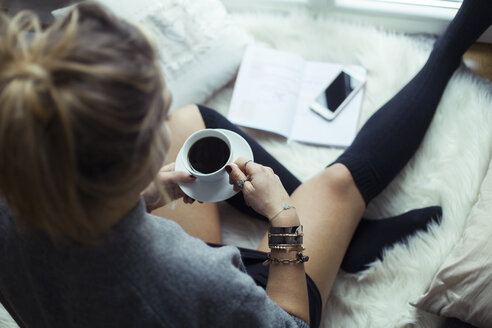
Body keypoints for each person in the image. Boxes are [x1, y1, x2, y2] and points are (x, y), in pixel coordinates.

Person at [0, 1, 490, 327]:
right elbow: (288, 323)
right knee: (334, 185)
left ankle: (353, 239)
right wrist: (284, 219)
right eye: (152, 118)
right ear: (127, 162)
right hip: (238, 302)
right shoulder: (194, 279)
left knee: (189, 124)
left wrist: (152, 193)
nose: (162, 112)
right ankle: (449, 49)